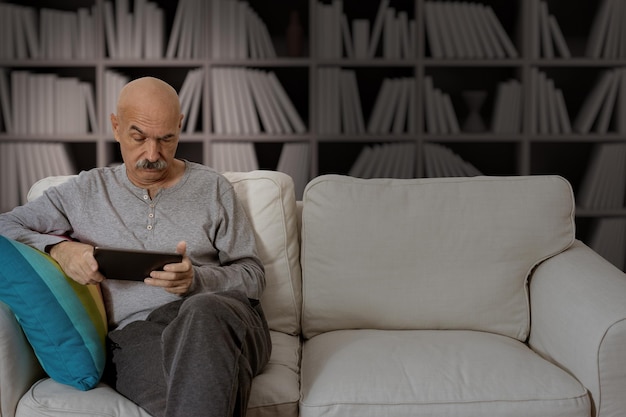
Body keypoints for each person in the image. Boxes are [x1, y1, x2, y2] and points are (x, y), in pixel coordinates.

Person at [0, 76, 271, 417]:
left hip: (223, 318)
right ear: (116, 127)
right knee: (192, 398)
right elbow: (4, 225)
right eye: (138, 137)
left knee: (202, 312)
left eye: (166, 139)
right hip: (139, 334)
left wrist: (197, 282)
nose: (152, 154)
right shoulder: (85, 190)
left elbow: (253, 276)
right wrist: (58, 249)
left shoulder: (212, 188)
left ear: (180, 127)